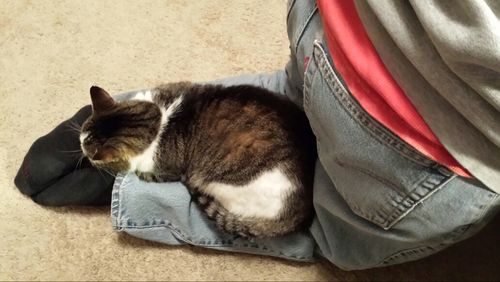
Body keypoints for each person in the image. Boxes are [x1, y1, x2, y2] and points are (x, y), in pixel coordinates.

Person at [15, 0, 499, 270]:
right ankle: (138, 189)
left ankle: (124, 146)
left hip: (335, 22)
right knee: (326, 233)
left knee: (280, 101)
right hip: (425, 133)